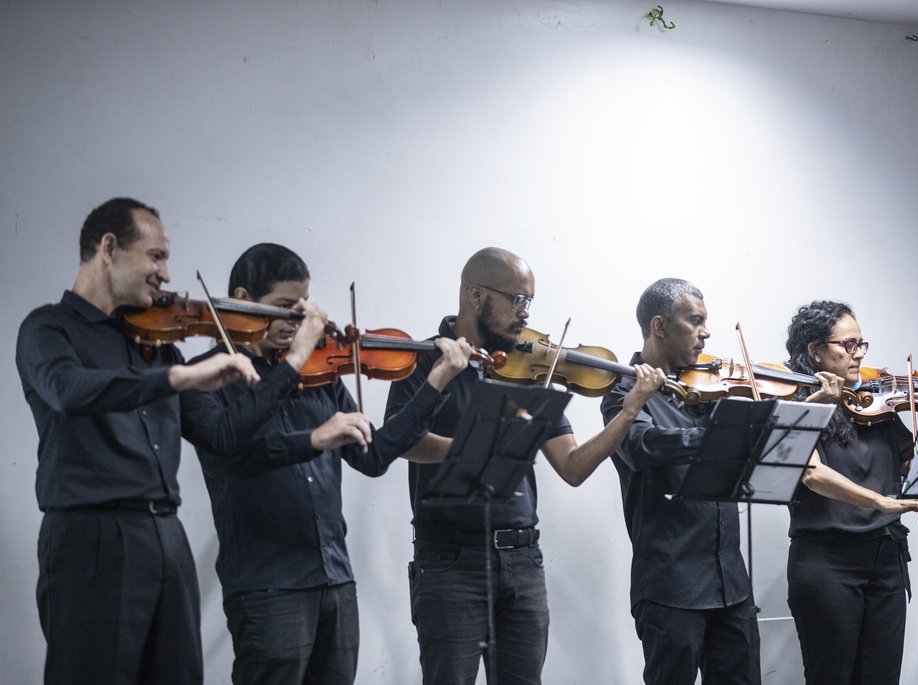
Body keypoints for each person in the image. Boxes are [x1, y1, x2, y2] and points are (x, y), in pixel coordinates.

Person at [179, 242, 472, 685]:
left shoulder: (319, 375)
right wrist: (312, 434)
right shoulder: (204, 378)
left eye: (302, 309)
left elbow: (372, 457)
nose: (297, 324)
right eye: (283, 307)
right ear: (241, 297)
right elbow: (230, 455)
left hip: (335, 579)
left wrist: (433, 384)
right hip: (268, 588)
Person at [384, 247, 664, 685]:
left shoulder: (529, 369)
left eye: (529, 301)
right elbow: (400, 439)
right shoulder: (424, 357)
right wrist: (472, 447)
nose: (525, 313)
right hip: (449, 560)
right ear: (476, 296)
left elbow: (573, 467)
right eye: (516, 299)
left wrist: (629, 411)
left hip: (522, 558)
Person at [15, 197, 261, 685]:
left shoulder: (156, 344)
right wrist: (178, 378)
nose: (167, 274)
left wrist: (291, 366)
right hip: (93, 539)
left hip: (166, 538)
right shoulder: (47, 330)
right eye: (155, 256)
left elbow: (222, 436)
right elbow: (70, 390)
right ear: (109, 248)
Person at [783, 300, 918, 684]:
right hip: (827, 563)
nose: (858, 355)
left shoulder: (876, 404)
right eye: (847, 345)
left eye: (861, 345)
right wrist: (881, 501)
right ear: (815, 350)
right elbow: (811, 474)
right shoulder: (796, 402)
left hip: (885, 557)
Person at [599, 277, 761, 685]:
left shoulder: (709, 389)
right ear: (660, 326)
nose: (706, 332)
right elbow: (642, 447)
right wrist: (718, 436)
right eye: (695, 321)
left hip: (731, 584)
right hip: (671, 587)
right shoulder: (622, 394)